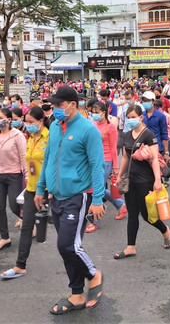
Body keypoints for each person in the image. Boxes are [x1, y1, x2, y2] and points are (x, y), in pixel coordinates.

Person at [35, 86, 105, 315]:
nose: (54, 109)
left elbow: (97, 165)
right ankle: (77, 294)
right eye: (52, 105)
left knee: (67, 245)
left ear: (72, 104)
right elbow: (48, 159)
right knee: (66, 249)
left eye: (58, 105)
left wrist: (97, 199)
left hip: (79, 195)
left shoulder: (88, 130)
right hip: (57, 196)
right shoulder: (54, 127)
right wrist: (40, 188)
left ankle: (93, 275)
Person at [114, 105, 170, 260]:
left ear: (141, 117)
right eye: (129, 117)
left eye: (134, 116)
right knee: (132, 213)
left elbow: (154, 160)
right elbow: (126, 157)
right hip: (131, 180)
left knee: (147, 215)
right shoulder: (126, 135)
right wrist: (120, 175)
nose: (131, 119)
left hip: (146, 180)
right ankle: (130, 247)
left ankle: (165, 229)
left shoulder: (149, 135)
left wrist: (158, 181)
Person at [0, 106, 49, 279]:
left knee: (65, 233)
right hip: (31, 189)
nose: (27, 125)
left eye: (30, 122)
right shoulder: (29, 138)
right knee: (26, 227)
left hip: (50, 190)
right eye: (26, 122)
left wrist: (48, 189)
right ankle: (20, 265)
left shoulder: (50, 138)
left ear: (41, 121)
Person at [85, 101, 126, 233]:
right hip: (93, 160)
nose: (94, 115)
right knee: (99, 189)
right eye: (93, 112)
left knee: (96, 190)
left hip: (106, 161)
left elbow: (114, 148)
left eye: (97, 113)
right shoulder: (93, 125)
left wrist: (115, 166)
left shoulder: (111, 127)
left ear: (104, 112)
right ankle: (120, 204)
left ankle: (95, 220)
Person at [0, 109, 27, 252]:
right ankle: (4, 237)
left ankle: (30, 222)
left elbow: (24, 156)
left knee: (14, 205)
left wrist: (27, 175)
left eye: (1, 118)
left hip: (14, 174)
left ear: (9, 120)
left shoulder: (17, 136)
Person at [141, 91, 170, 161]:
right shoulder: (141, 115)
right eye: (144, 101)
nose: (145, 102)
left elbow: (164, 134)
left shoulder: (161, 116)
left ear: (153, 101)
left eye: (147, 100)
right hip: (143, 149)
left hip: (157, 148)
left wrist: (166, 152)